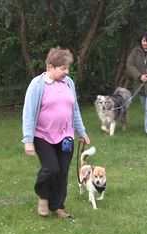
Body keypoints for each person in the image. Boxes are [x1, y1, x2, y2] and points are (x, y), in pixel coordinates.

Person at [22, 46, 90, 218]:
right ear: (50, 67)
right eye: (63, 68)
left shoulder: (69, 83)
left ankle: (57, 206)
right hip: (43, 136)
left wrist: (82, 132)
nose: (66, 71)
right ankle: (43, 197)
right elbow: (29, 113)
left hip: (66, 136)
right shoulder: (38, 85)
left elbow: (75, 109)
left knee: (62, 172)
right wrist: (28, 140)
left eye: (67, 68)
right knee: (51, 169)